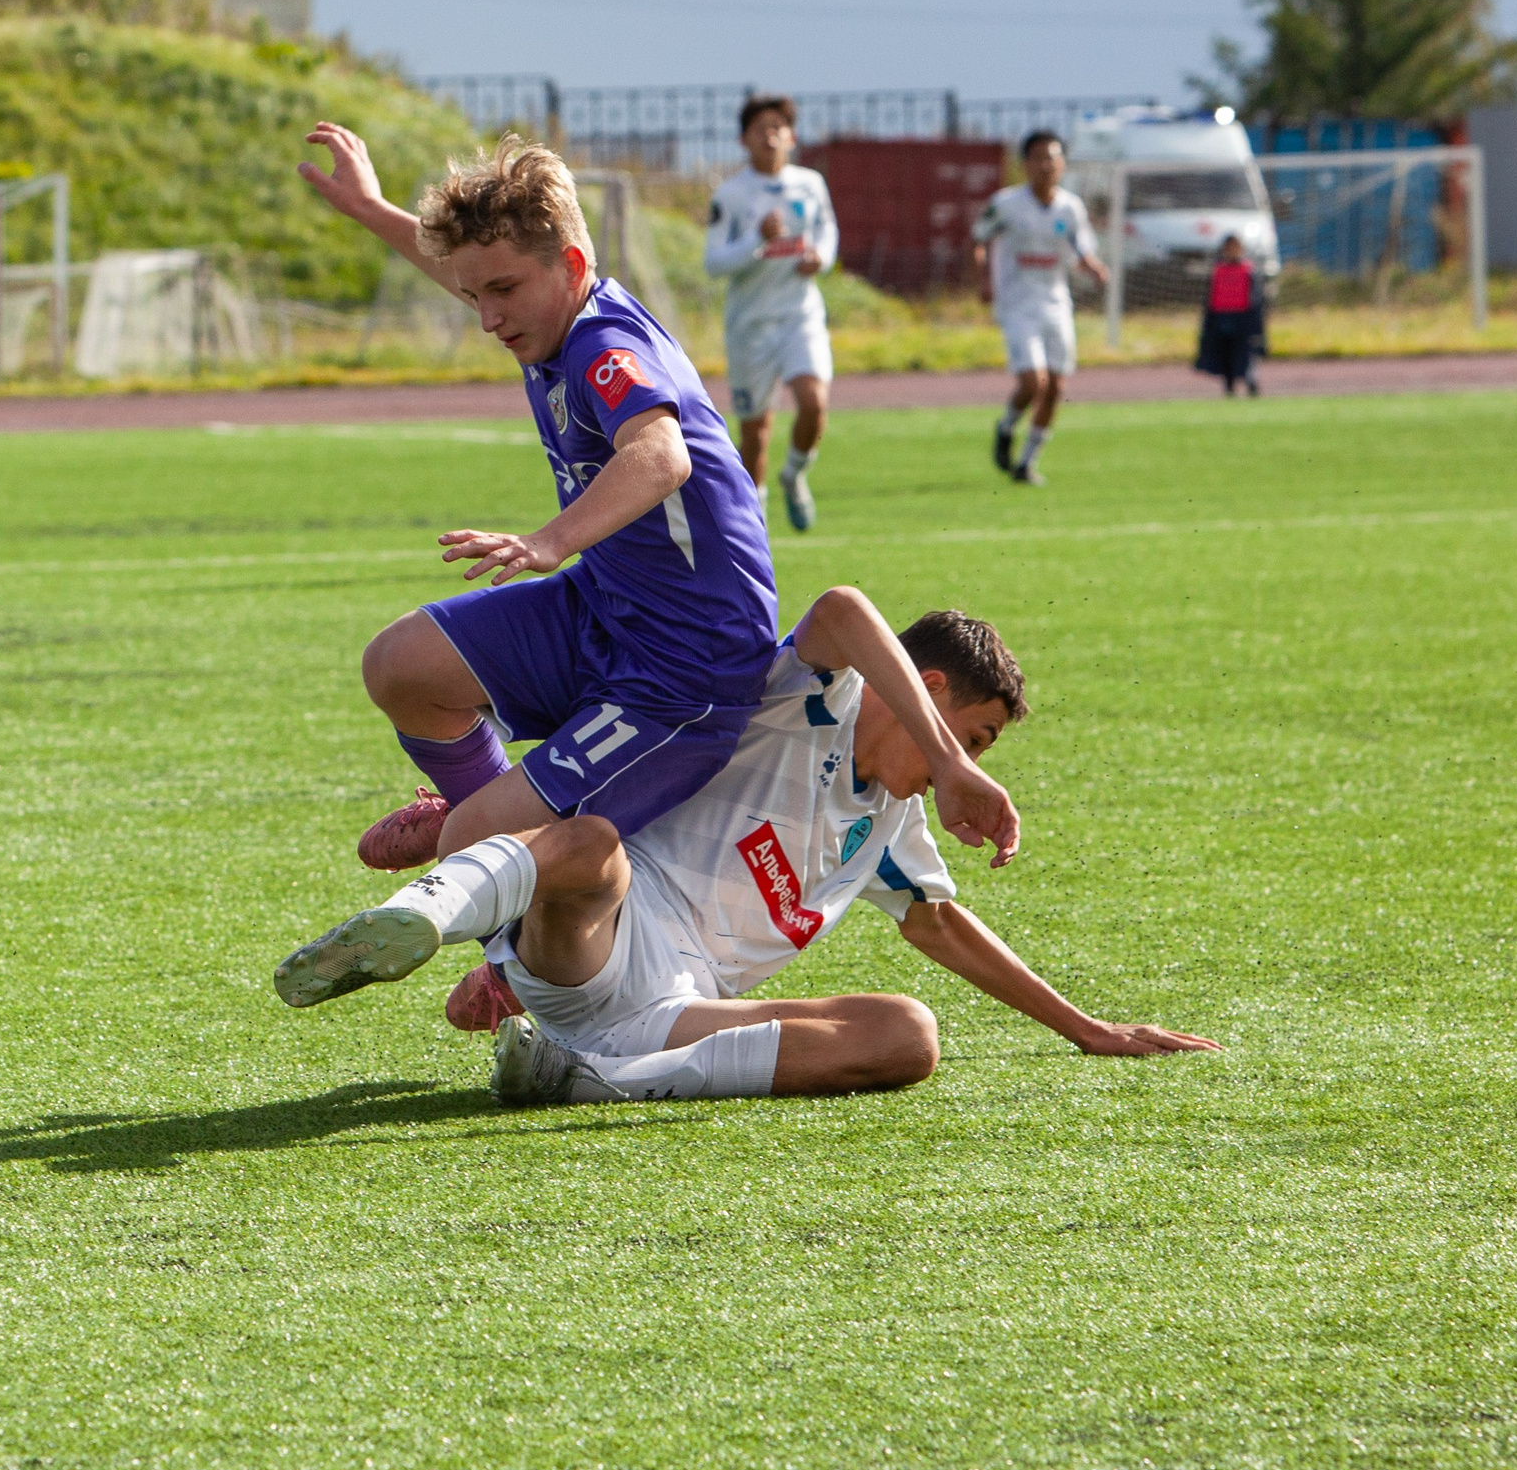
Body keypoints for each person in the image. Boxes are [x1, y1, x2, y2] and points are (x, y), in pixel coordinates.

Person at [275, 588, 1210, 1105]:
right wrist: (945, 755)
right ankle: (426, 909)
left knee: (909, 1034)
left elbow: (944, 929)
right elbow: (842, 605)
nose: (955, 767)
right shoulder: (808, 694)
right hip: (598, 938)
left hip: (669, 1020)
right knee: (591, 843)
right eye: (970, 739)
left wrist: (1089, 1029)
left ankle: (588, 1079)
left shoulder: (893, 822)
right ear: (924, 692)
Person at [295, 125, 781, 876]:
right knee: (400, 665)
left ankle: (512, 956)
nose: (487, 318)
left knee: (471, 848)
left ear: (573, 265)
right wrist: (371, 209)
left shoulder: (602, 345)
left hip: (688, 664)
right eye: (472, 294)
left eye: (502, 292)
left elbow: (660, 456)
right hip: (609, 606)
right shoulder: (546, 313)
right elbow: (467, 266)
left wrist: (548, 541)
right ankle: (488, 824)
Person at [703, 93, 838, 532]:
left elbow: (827, 232)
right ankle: (754, 527)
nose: (771, 134)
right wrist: (757, 242)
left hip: (801, 315)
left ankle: (795, 474)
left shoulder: (811, 184)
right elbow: (714, 262)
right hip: (750, 325)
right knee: (755, 433)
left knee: (814, 403)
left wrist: (822, 258)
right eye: (761, 127)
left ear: (792, 136)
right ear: (744, 139)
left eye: (778, 126)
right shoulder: (732, 194)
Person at [972, 130, 1106, 487]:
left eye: (1053, 158)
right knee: (1034, 381)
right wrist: (983, 276)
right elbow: (980, 237)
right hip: (1016, 302)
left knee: (1056, 386)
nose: (1047, 166)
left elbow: (1082, 247)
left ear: (1063, 164)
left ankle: (1027, 461)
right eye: (1039, 158)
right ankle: (1006, 427)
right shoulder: (1006, 204)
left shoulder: (1070, 207)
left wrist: (1093, 267)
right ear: (1025, 164)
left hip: (1056, 301)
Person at [1192, 233, 1265, 397]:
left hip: (1243, 319)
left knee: (1246, 354)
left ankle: (1251, 383)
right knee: (1225, 353)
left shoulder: (1248, 270)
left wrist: (1255, 322)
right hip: (1222, 318)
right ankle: (1229, 386)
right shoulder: (1218, 270)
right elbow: (1210, 297)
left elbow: (1256, 299)